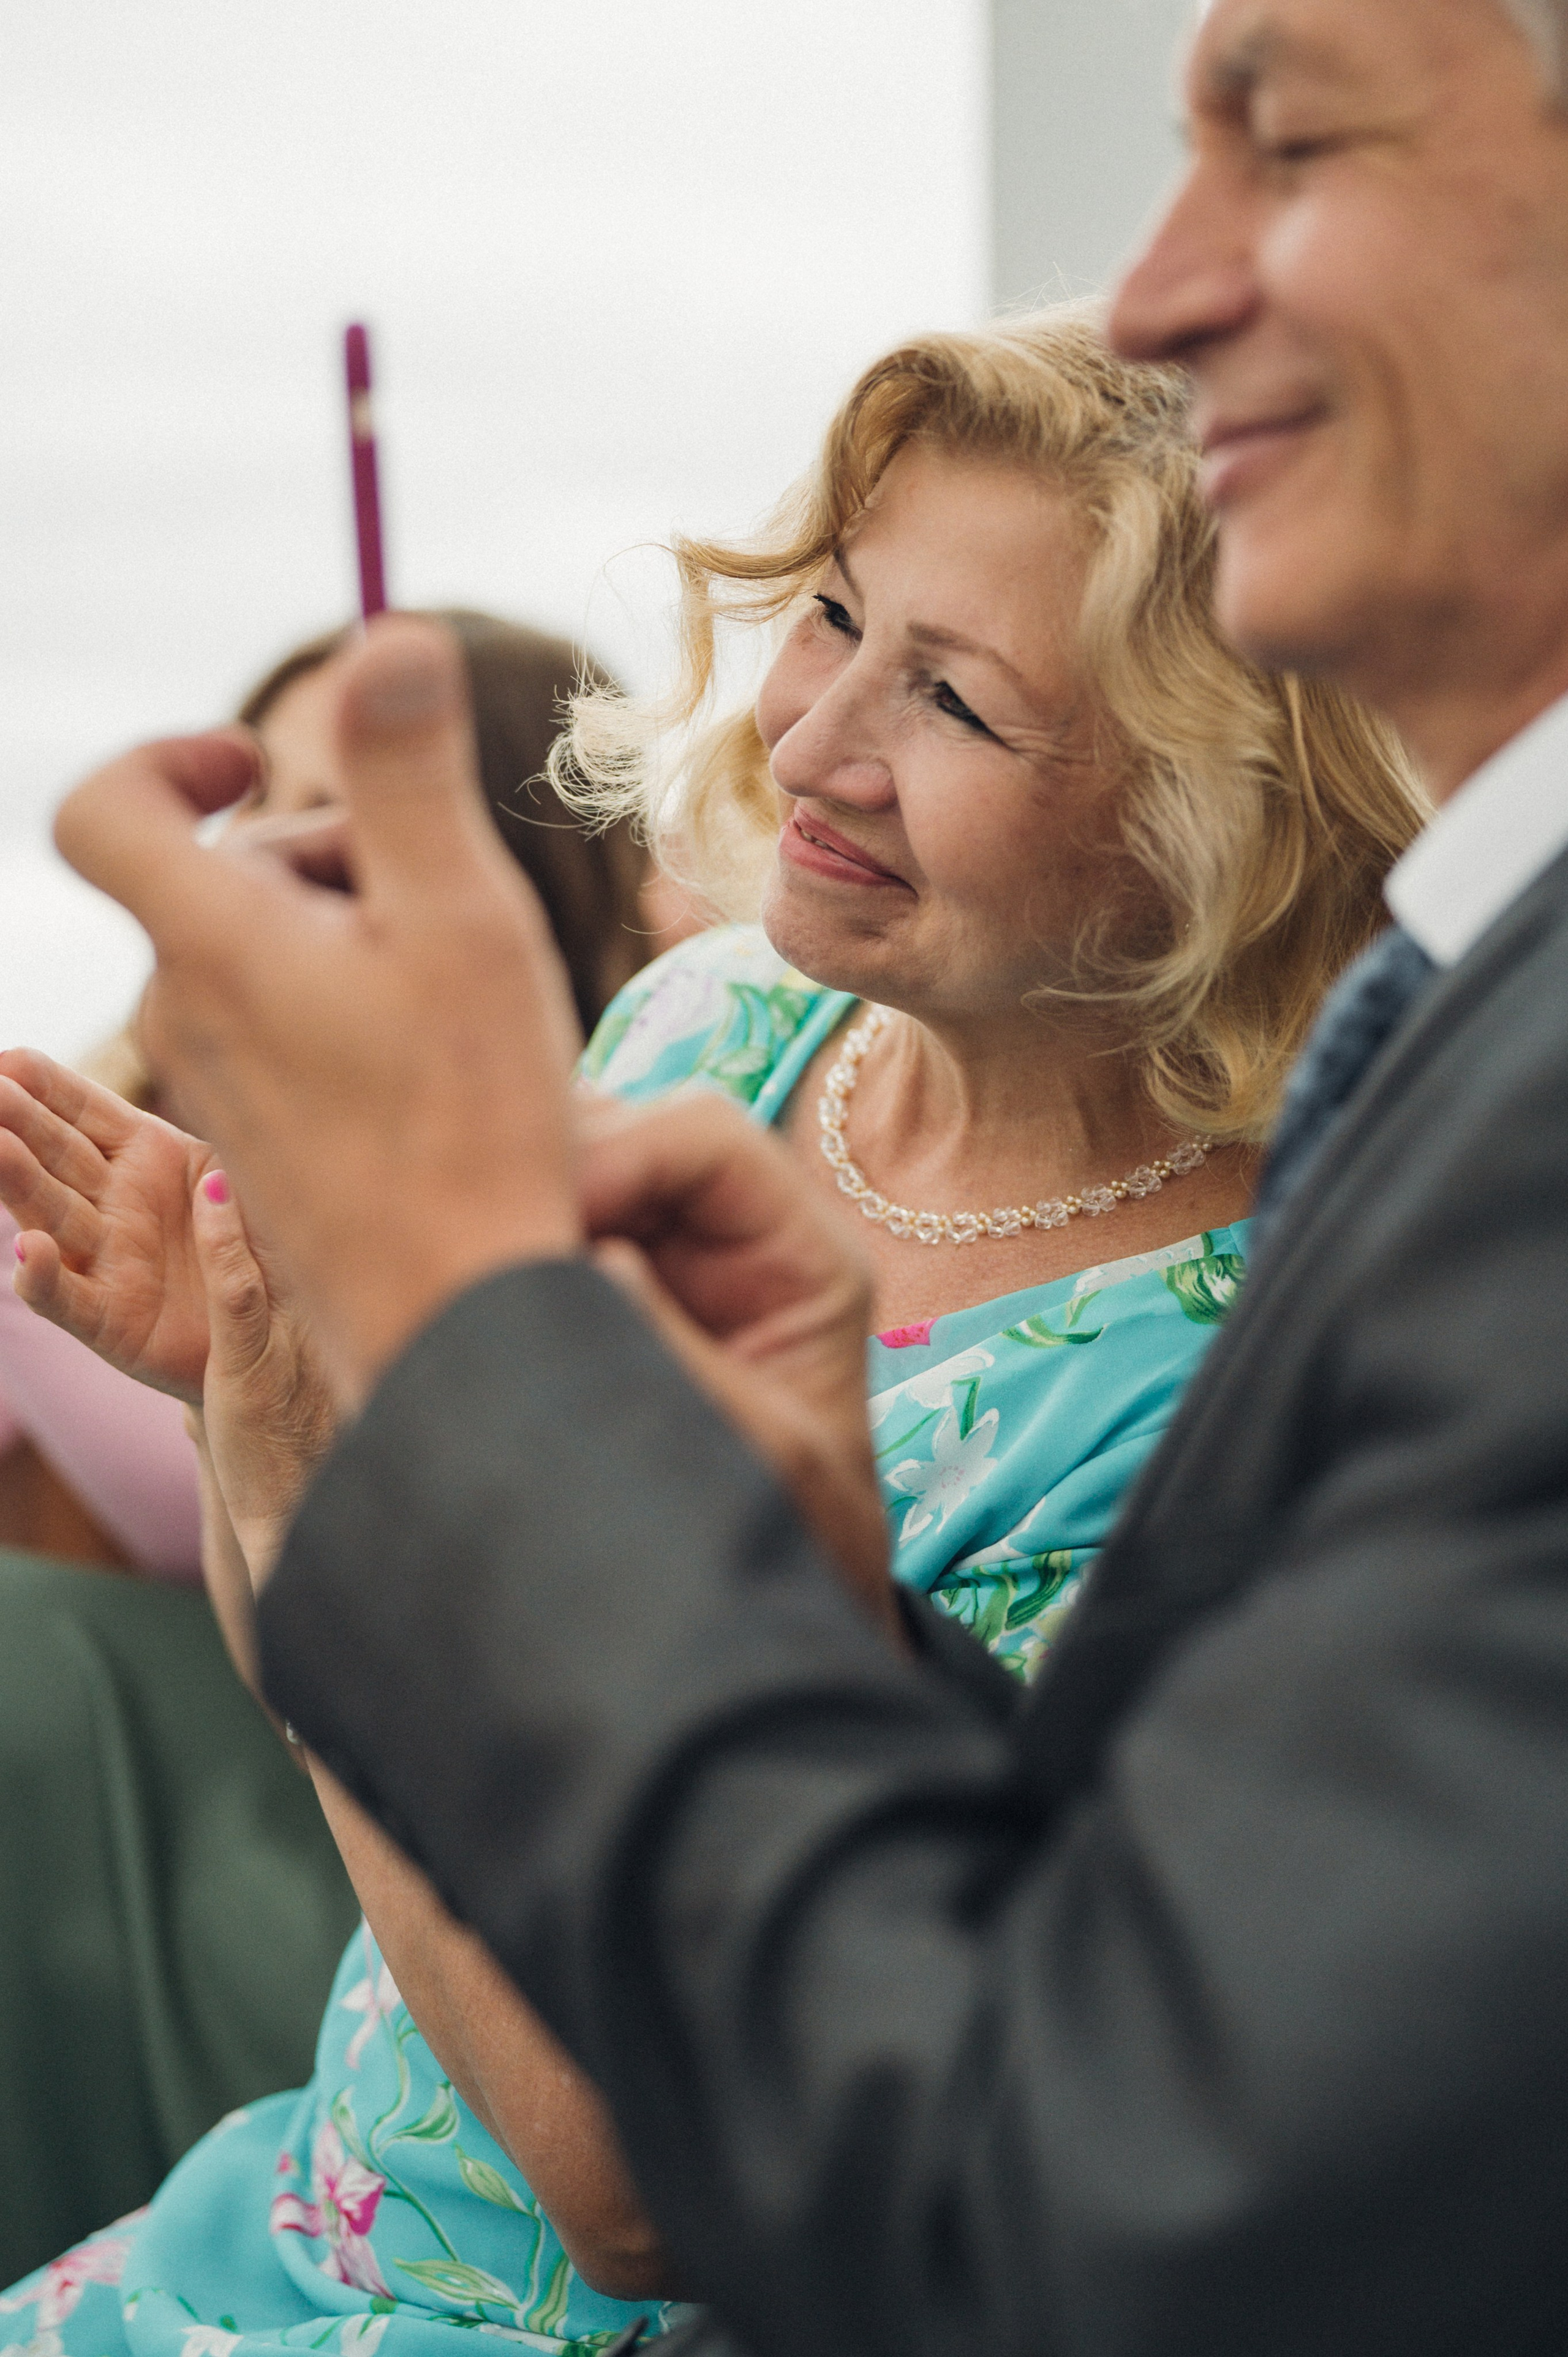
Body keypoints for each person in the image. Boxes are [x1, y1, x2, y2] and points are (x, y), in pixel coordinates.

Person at [10, 0, 1568, 2337]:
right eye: (833, 609)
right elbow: (382, 1653)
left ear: (1212, 836)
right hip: (293, 2225)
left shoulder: (1245, 1340)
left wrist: (381, 1423)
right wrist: (271, 1381)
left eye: (955, 698)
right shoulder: (705, 1031)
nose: (811, 738)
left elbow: (647, 2181)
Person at [0, 611, 655, 2290]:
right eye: (260, 798)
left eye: (342, 797)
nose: (277, 851)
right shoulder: (168, 1111)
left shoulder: (618, 1140)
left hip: (336, 1812)